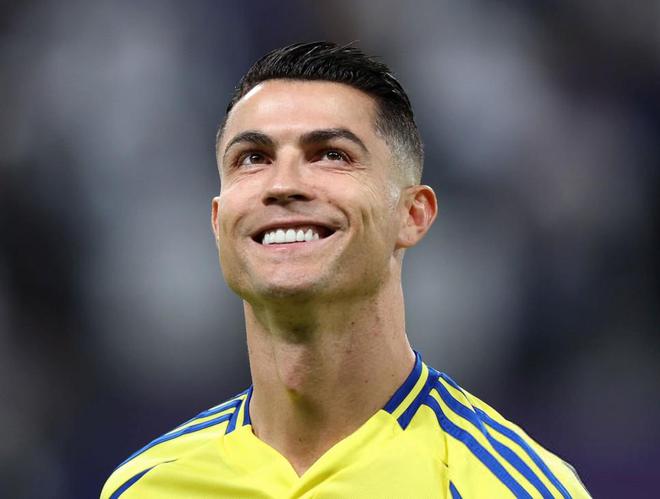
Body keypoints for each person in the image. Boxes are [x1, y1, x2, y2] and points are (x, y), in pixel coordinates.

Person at [101, 42, 590, 498]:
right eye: (253, 158)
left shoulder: (506, 487)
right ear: (217, 221)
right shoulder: (146, 486)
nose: (283, 184)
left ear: (412, 214)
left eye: (331, 155)